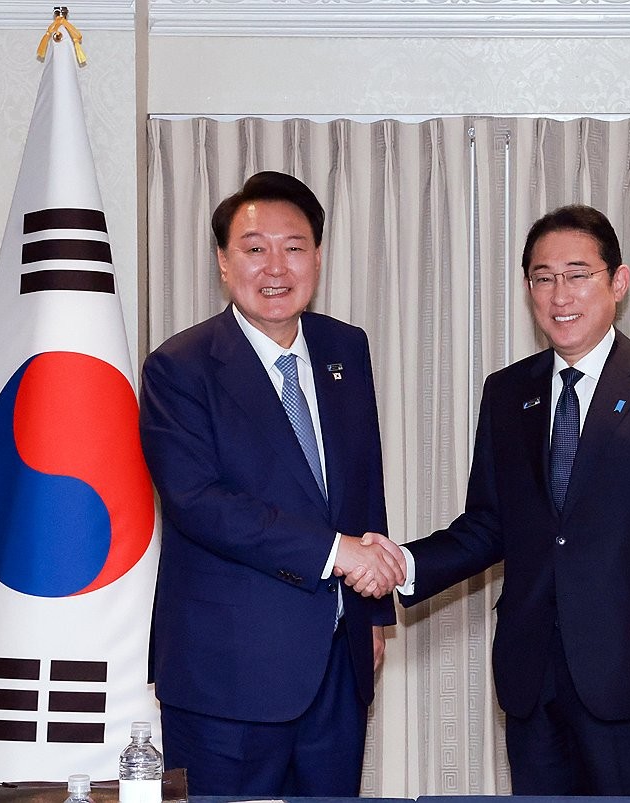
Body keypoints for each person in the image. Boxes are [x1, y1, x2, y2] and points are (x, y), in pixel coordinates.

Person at [354, 204, 630, 794]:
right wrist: (404, 564)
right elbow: (488, 523)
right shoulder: (508, 393)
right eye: (543, 277)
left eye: (578, 274)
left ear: (618, 281)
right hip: (533, 680)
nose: (561, 295)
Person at [138, 171, 405, 796]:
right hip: (225, 674)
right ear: (224, 264)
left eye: (294, 246)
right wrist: (339, 553)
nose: (276, 266)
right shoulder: (179, 368)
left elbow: (362, 486)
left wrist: (371, 616)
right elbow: (198, 504)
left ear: (317, 256)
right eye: (255, 248)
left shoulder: (347, 348)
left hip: (338, 666)